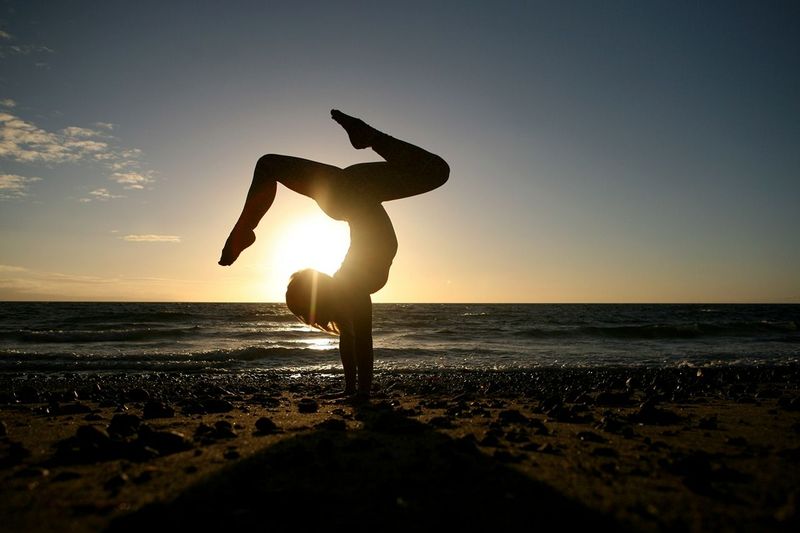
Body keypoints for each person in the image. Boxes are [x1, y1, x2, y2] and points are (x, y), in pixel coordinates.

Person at [219, 110, 449, 399]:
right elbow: (354, 340)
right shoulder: (351, 287)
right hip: (354, 193)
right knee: (269, 164)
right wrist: (353, 391)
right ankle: (370, 137)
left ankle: (244, 230)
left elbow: (361, 341)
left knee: (269, 164)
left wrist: (358, 392)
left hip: (353, 194)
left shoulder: (350, 284)